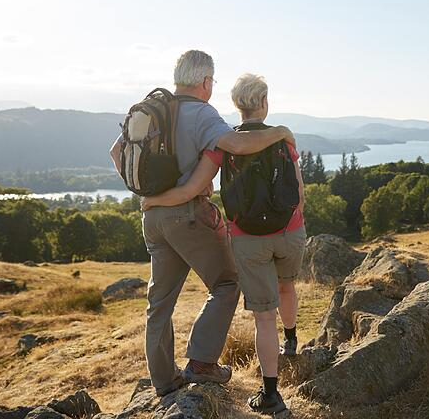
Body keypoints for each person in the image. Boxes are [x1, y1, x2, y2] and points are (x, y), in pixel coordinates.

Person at [109, 51, 296, 397]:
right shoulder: (201, 113)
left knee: (159, 301)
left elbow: (116, 153)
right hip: (188, 215)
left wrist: (147, 193)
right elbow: (237, 144)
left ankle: (164, 381)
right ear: (206, 82)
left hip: (152, 217)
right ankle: (201, 362)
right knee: (227, 281)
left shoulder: (152, 109)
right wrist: (280, 132)